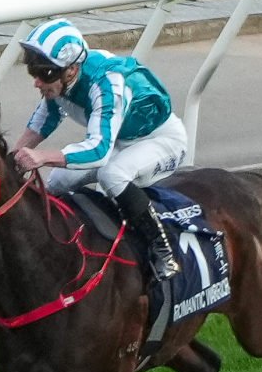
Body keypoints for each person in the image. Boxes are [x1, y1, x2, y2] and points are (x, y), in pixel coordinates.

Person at [10, 17, 188, 288]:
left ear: (71, 70)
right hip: (120, 138)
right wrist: (14, 156)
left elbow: (99, 151)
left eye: (43, 73)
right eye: (33, 72)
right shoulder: (61, 79)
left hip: (161, 140)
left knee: (112, 173)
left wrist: (43, 157)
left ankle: (163, 251)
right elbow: (44, 120)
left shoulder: (107, 83)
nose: (36, 82)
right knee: (57, 182)